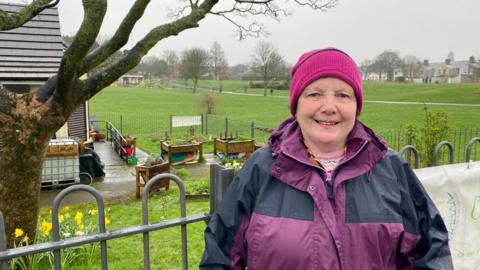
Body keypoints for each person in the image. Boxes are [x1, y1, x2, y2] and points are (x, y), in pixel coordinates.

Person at [199, 48, 453, 269]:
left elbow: (430, 254)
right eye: (315, 94)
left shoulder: (391, 170)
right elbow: (220, 256)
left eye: (343, 95)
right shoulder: (262, 169)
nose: (329, 106)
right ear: (296, 104)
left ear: (356, 105)